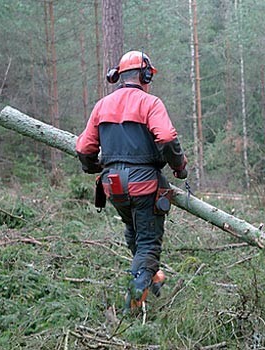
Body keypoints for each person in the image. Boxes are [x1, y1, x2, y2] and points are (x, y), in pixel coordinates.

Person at [75, 50, 188, 309]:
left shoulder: (102, 106)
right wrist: (180, 168)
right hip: (144, 184)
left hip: (113, 186)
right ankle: (132, 304)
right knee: (148, 243)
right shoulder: (150, 103)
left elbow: (84, 148)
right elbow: (168, 139)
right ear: (144, 74)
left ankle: (152, 279)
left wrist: (94, 165)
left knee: (133, 230)